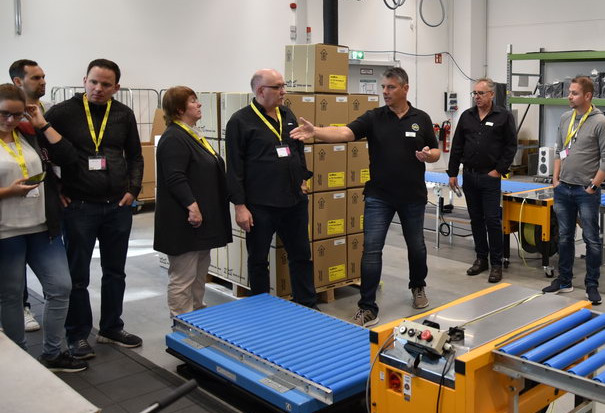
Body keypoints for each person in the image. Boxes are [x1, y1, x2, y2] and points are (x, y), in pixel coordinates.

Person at [290, 67, 439, 327]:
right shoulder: (374, 117)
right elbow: (345, 133)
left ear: (405, 88)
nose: (385, 92)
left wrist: (429, 155)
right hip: (379, 196)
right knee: (371, 250)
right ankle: (368, 307)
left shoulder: (421, 119)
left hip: (412, 196)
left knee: (416, 246)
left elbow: (435, 151)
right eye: (383, 87)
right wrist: (317, 132)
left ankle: (418, 286)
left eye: (391, 87)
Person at [46, 59, 144, 359]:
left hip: (117, 207)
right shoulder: (62, 113)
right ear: (84, 80)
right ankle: (77, 335)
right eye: (93, 82)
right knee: (77, 275)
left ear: (116, 87)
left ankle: (111, 328)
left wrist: (133, 189)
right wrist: (55, 187)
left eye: (105, 84)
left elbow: (135, 155)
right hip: (79, 207)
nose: (98, 89)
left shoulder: (123, 114)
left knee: (115, 272)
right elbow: (40, 151)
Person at [0, 83, 87, 372]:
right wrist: (8, 192)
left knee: (61, 287)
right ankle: (20, 359)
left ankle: (53, 352)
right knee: (11, 297)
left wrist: (40, 122)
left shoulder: (29, 134)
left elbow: (67, 158)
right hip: (5, 232)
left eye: (17, 114)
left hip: (42, 227)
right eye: (4, 113)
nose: (10, 120)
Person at [226, 69, 316, 307]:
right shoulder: (240, 121)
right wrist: (240, 206)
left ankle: (307, 304)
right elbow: (234, 167)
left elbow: (297, 149)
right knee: (258, 259)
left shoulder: (287, 114)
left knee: (301, 255)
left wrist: (303, 178)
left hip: (294, 201)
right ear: (260, 91)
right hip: (260, 205)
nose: (283, 91)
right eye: (278, 87)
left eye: (283, 86)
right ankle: (261, 309)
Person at [155, 87, 232, 317]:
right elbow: (175, 177)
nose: (199, 104)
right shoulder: (174, 138)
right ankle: (181, 321)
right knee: (183, 277)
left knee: (199, 273)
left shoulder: (192, 134)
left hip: (200, 221)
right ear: (180, 109)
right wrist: (193, 207)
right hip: (185, 220)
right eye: (193, 101)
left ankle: (197, 316)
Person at [541, 76, 605, 305]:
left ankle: (592, 285)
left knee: (591, 239)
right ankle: (564, 280)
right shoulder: (565, 118)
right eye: (569, 92)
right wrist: (555, 179)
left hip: (585, 191)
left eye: (574, 93)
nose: (569, 96)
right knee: (564, 237)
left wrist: (593, 186)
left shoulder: (601, 122)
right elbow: (559, 150)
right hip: (563, 188)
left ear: (588, 96)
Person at [447, 78, 517, 284]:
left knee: (492, 220)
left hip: (490, 177)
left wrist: (498, 171)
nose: (477, 97)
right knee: (476, 219)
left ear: (491, 94)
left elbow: (510, 146)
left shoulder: (503, 116)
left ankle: (496, 263)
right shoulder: (466, 116)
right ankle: (481, 258)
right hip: (469, 176)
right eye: (474, 93)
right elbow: (457, 145)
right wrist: (452, 173)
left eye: (481, 93)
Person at [9, 59, 48, 333]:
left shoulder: (45, 111)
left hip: (42, 203)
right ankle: (20, 306)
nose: (43, 81)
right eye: (36, 78)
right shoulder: (11, 119)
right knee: (13, 265)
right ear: (18, 82)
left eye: (43, 76)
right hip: (10, 209)